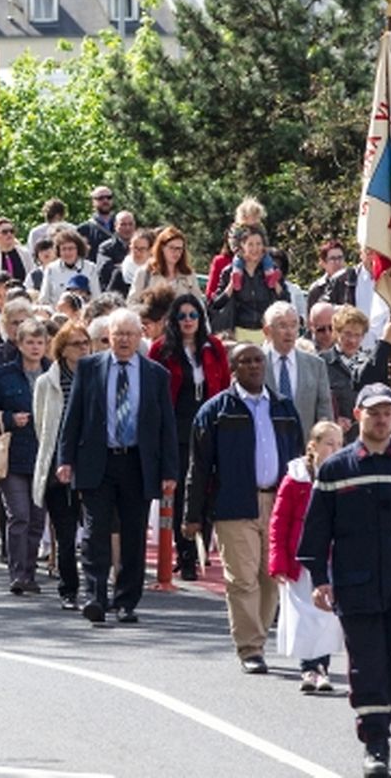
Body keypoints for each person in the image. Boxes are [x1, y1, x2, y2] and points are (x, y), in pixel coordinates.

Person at [297, 383, 391, 777]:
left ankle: (383, 716)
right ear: (359, 415)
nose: (381, 419)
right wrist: (319, 577)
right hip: (356, 583)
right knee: (367, 666)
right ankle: (375, 743)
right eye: (373, 412)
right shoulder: (336, 469)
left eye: (387, 413)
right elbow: (316, 531)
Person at [185, 343, 304, 672]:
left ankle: (259, 637)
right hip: (234, 504)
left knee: (271, 576)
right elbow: (199, 466)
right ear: (233, 369)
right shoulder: (216, 411)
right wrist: (192, 515)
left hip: (278, 502)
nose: (253, 366)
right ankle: (250, 648)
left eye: (257, 361)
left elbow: (299, 460)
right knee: (242, 579)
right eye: (245, 362)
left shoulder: (284, 407)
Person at [56, 308, 179, 624]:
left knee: (133, 533)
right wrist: (65, 459)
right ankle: (95, 596)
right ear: (108, 337)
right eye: (118, 333)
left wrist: (169, 471)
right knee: (95, 532)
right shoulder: (89, 368)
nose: (124, 339)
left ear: (140, 337)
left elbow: (166, 426)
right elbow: (73, 418)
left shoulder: (155, 374)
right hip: (98, 461)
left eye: (130, 333)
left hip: (137, 463)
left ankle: (126, 601)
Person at [149, 294, 231, 581]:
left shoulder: (214, 347)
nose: (187, 321)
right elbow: (154, 393)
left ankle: (201, 549)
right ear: (174, 320)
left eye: (193, 315)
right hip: (176, 428)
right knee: (182, 489)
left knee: (208, 488)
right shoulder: (162, 350)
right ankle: (183, 553)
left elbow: (225, 385)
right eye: (182, 316)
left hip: (210, 425)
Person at [268, 420, 345, 692]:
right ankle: (308, 667)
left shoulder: (344, 476)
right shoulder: (296, 478)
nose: (335, 449)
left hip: (332, 557)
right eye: (329, 444)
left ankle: (322, 666)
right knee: (305, 615)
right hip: (300, 558)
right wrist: (277, 559)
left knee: (326, 614)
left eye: (339, 444)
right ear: (313, 446)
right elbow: (279, 520)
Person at [0, 319, 52, 594]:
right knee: (19, 515)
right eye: (30, 342)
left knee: (36, 517)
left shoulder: (52, 373)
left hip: (43, 457)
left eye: (40, 342)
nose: (35, 347)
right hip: (12, 456)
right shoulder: (3, 374)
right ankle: (18, 573)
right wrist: (9, 419)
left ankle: (30, 572)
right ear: (20, 345)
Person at [32, 321, 90, 609]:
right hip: (59, 468)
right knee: (65, 533)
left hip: (91, 465)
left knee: (93, 531)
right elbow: (41, 425)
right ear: (62, 350)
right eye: (76, 344)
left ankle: (95, 588)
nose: (83, 348)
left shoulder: (95, 378)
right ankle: (69, 589)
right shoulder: (47, 382)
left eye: (85, 343)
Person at [262, 301, 333, 436]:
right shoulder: (256, 364)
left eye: (294, 325)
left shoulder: (316, 365)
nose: (289, 332)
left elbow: (324, 411)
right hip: (267, 445)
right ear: (267, 331)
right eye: (282, 326)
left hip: (304, 446)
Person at [208, 223, 286, 343]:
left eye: (258, 244)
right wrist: (231, 286)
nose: (255, 249)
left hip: (266, 332)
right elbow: (216, 304)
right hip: (239, 331)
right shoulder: (229, 271)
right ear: (242, 246)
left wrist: (275, 283)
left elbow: (286, 301)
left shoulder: (272, 269)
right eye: (250, 244)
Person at [323, 305, 370, 444]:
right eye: (347, 334)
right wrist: (334, 418)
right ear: (336, 333)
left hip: (364, 437)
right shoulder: (322, 363)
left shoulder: (370, 363)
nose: (352, 340)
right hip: (335, 439)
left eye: (358, 335)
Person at [129, 226, 200, 301]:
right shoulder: (144, 273)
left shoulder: (189, 275)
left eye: (179, 249)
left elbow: (199, 304)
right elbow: (132, 302)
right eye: (172, 248)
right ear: (162, 248)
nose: (176, 252)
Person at [39, 228, 101, 307]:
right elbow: (44, 299)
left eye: (71, 249)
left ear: (78, 249)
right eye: (63, 249)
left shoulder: (90, 268)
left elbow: (96, 298)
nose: (67, 252)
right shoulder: (51, 269)